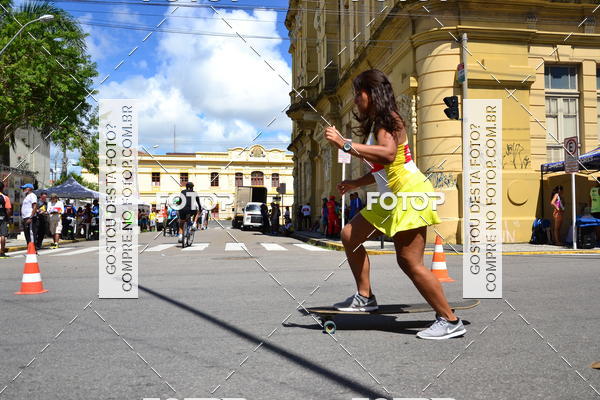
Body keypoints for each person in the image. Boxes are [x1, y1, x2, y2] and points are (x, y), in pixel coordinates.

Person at [323, 69, 464, 340]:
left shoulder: (388, 119)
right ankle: (365, 297)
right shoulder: (379, 122)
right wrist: (356, 182)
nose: (355, 99)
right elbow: (385, 166)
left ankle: (449, 320)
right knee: (350, 235)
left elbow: (388, 154)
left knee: (409, 261)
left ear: (372, 93)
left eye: (358, 93)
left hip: (410, 194)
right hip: (393, 197)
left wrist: (345, 144)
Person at [20, 183, 38, 248]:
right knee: (27, 234)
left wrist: (31, 217)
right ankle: (29, 248)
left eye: (24, 188)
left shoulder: (32, 195)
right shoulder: (26, 196)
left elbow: (35, 207)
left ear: (29, 188)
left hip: (30, 218)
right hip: (25, 218)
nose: (23, 189)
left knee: (31, 234)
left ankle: (33, 249)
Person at [0, 182, 13, 258]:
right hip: (2, 218)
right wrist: (8, 217)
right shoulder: (5, 198)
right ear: (2, 188)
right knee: (2, 235)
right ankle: (2, 252)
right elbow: (8, 210)